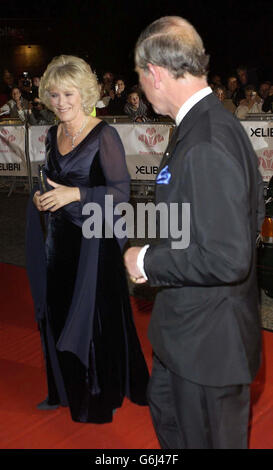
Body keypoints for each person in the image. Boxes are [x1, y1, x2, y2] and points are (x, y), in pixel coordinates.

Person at [124, 16, 265, 449]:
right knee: (169, 420)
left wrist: (146, 260)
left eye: (140, 78)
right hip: (186, 336)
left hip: (209, 349)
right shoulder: (205, 125)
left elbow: (227, 256)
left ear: (155, 73)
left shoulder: (206, 139)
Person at [26, 54, 149, 423]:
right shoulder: (52, 133)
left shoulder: (104, 135)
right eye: (54, 95)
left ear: (84, 94)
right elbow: (51, 178)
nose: (61, 102)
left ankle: (97, 394)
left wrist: (76, 195)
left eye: (68, 94)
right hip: (59, 241)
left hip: (96, 241)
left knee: (95, 319)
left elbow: (121, 193)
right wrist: (40, 195)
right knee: (59, 312)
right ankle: (66, 389)